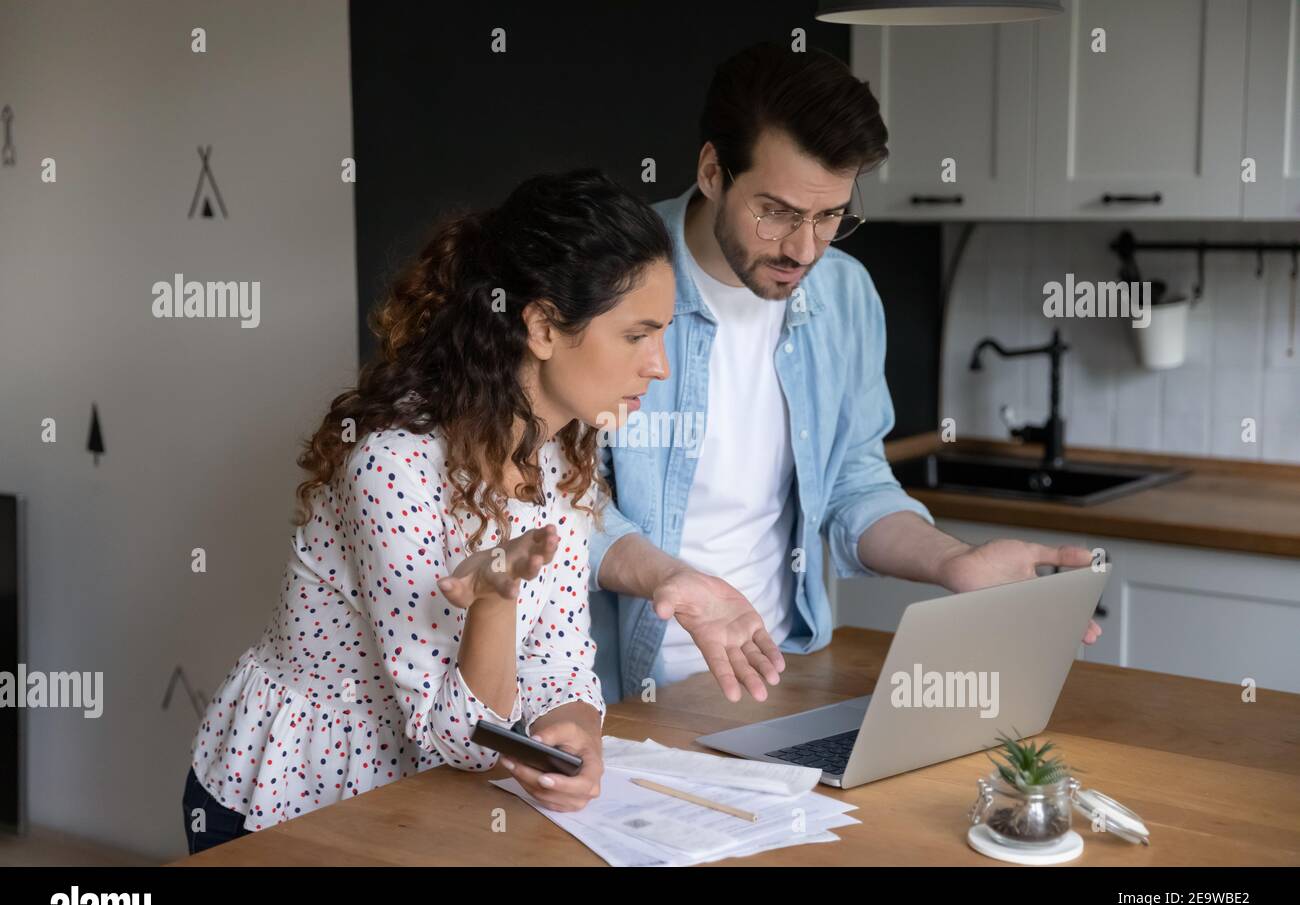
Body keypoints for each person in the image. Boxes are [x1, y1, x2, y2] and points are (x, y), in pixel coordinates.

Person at [589, 42, 1101, 705]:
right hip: (621, 699)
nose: (804, 249)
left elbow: (854, 482)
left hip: (782, 679)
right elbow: (550, 496)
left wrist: (951, 560)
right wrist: (667, 577)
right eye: (776, 211)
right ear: (714, 171)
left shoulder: (845, 295)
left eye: (829, 215)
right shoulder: (606, 281)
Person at [183, 169, 674, 853]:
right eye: (637, 336)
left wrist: (576, 730)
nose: (661, 365)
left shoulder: (563, 459)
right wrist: (495, 600)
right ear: (540, 326)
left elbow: (559, 656)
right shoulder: (392, 465)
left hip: (417, 795)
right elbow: (461, 738)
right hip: (291, 796)